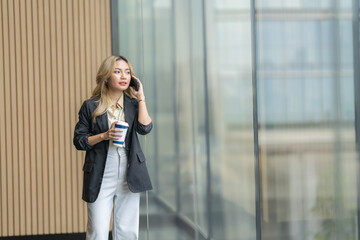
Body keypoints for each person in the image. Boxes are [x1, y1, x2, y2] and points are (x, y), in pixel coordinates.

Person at [73, 55, 153, 240]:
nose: (123, 76)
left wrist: (141, 97)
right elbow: (79, 140)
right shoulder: (90, 106)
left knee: (127, 231)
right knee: (98, 232)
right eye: (117, 71)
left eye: (127, 72)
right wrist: (104, 136)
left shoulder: (133, 104)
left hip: (130, 170)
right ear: (107, 76)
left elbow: (145, 128)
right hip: (101, 170)